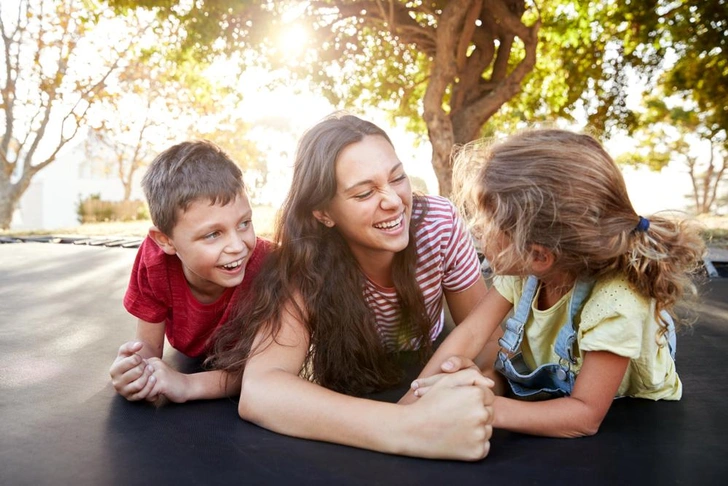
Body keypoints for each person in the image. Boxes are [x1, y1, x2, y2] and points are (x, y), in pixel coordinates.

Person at [208, 113, 496, 460]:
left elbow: (485, 342)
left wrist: (463, 393)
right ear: (324, 213)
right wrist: (409, 426)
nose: (393, 200)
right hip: (356, 370)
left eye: (398, 177)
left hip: (429, 348)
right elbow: (261, 390)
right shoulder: (306, 259)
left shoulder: (438, 223)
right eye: (364, 193)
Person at [409, 128, 706, 438]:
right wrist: (412, 404)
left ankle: (656, 329)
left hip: (634, 408)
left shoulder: (616, 303)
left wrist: (485, 406)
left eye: (486, 220)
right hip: (563, 365)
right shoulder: (523, 270)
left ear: (539, 255)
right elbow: (471, 333)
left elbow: (584, 416)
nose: (476, 229)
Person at [109, 140, 272, 403]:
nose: (237, 246)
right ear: (166, 241)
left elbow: (268, 373)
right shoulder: (155, 261)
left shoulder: (270, 267)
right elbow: (149, 347)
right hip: (194, 357)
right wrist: (138, 370)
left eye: (244, 223)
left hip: (249, 365)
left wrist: (188, 385)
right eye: (212, 234)